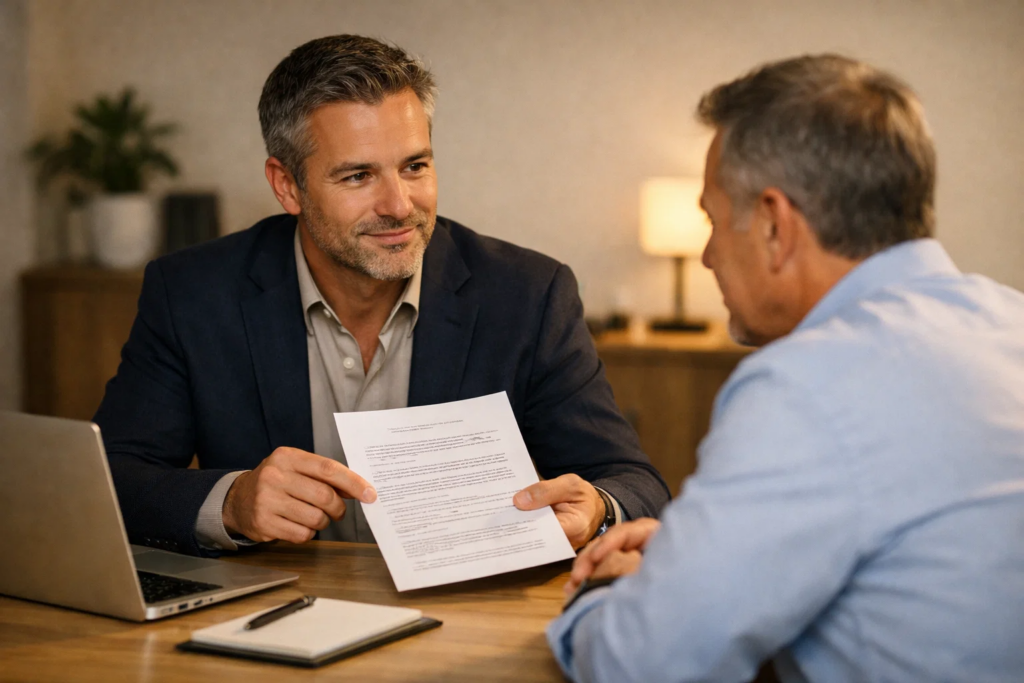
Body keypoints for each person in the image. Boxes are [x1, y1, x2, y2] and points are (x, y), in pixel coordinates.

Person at [94, 35, 669, 557]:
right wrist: (231, 501)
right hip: (275, 618)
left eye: (415, 166)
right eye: (357, 177)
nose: (399, 204)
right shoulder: (193, 293)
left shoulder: (527, 294)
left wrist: (596, 510)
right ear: (286, 185)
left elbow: (633, 482)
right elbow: (113, 478)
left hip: (464, 623)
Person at [548, 54, 1024, 682]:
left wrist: (601, 596)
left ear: (775, 225)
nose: (711, 255)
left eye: (714, 221)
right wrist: (698, 564)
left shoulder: (808, 384)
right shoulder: (1007, 319)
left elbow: (639, 662)